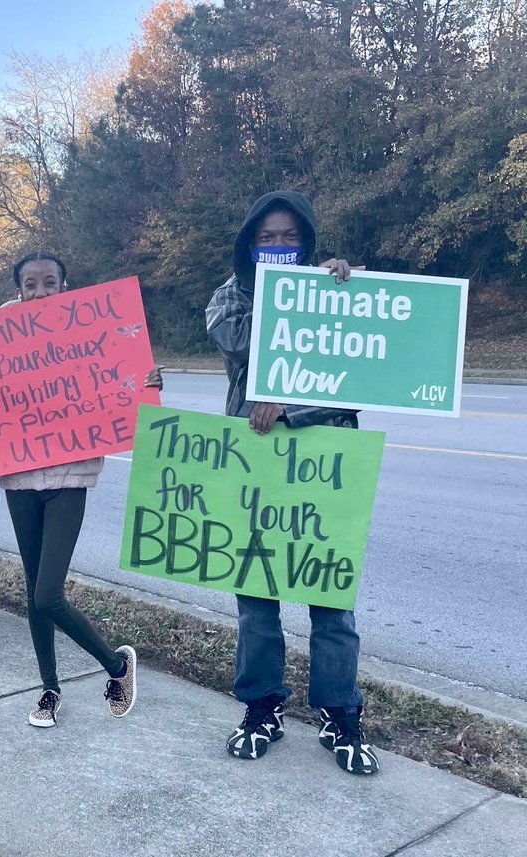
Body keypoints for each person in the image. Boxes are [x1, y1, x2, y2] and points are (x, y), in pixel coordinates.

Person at [205, 190, 379, 775]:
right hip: (255, 463)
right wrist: (294, 297)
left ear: (305, 241)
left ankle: (340, 713)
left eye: (289, 237)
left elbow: (355, 380)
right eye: (266, 238)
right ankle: (262, 707)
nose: (278, 245)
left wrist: (334, 294)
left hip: (327, 465)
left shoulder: (335, 290)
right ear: (250, 244)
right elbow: (240, 344)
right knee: (256, 599)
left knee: (331, 601)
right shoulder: (230, 298)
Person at [0, 251, 163, 729]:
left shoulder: (90, 326)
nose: (40, 292)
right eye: (30, 284)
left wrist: (146, 381)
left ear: (64, 287)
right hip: (19, 477)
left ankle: (117, 666)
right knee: (33, 589)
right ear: (18, 289)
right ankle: (49, 688)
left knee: (48, 593)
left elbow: (122, 375)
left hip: (70, 474)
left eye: (50, 282)